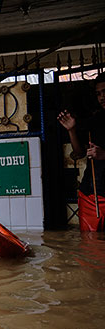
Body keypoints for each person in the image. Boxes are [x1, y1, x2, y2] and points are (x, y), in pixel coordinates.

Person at [57, 72, 105, 231]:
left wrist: (104, 155)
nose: (102, 97)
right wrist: (71, 130)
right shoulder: (96, 120)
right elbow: (79, 152)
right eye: (98, 94)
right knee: (90, 247)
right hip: (91, 194)